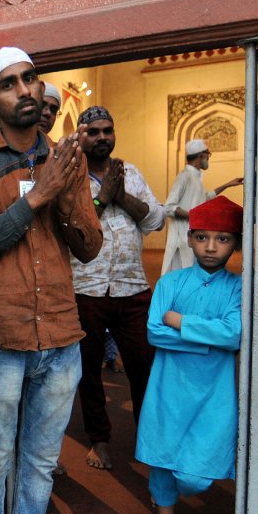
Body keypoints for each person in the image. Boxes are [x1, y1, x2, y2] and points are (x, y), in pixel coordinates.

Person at [0, 47, 103, 514]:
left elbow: (89, 247)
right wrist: (34, 199)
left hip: (61, 336)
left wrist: (61, 191)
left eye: (29, 79)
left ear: (41, 90)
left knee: (41, 457)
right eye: (8, 84)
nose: (23, 90)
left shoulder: (68, 159)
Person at [135, 195, 243, 514]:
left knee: (195, 476)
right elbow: (153, 333)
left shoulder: (238, 288)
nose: (211, 247)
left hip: (215, 395)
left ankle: (167, 495)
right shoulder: (170, 283)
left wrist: (180, 322)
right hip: (168, 389)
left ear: (236, 244)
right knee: (162, 462)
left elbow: (235, 336)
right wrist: (210, 341)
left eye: (223, 239)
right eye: (203, 237)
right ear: (190, 238)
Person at [70, 105, 167, 471]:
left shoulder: (131, 172)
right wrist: (103, 198)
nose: (101, 138)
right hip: (87, 288)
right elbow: (73, 229)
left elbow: (156, 220)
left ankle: (149, 440)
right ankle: (100, 440)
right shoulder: (69, 177)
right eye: (93, 132)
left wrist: (121, 193)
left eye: (107, 131)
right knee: (89, 369)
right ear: (80, 136)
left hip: (132, 286)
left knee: (144, 366)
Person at [160, 138, 242, 276]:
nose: (207, 159)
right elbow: (168, 207)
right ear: (201, 156)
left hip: (194, 237)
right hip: (182, 239)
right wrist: (195, 217)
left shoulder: (195, 178)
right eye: (207, 156)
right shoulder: (184, 177)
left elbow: (205, 197)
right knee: (179, 277)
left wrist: (228, 184)